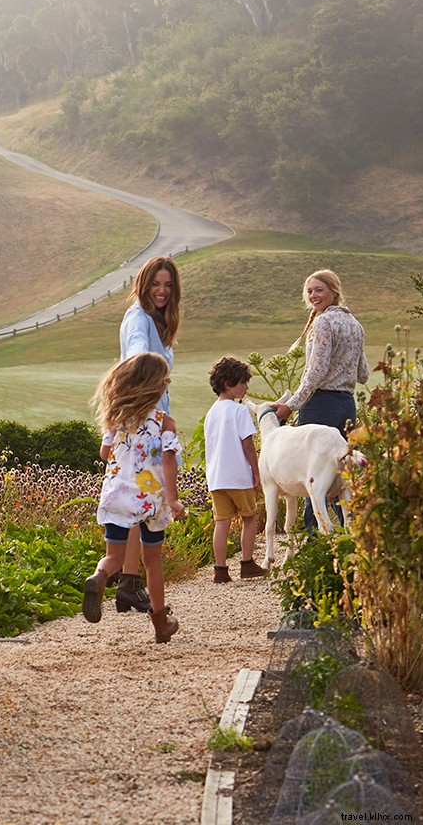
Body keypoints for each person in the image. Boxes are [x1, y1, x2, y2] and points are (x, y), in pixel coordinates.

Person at [82, 352, 185, 644]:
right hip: (150, 500)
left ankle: (100, 577)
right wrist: (174, 500)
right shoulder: (165, 423)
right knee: (152, 561)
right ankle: (161, 623)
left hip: (116, 496)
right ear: (158, 386)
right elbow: (169, 462)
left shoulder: (116, 419)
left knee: (114, 556)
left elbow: (104, 454)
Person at [267, 269, 369, 529]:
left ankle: (315, 541)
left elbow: (316, 372)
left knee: (312, 476)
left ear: (335, 292)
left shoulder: (323, 323)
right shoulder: (355, 325)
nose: (313, 295)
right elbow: (364, 374)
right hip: (346, 406)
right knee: (341, 475)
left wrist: (291, 405)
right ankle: (350, 539)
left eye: (319, 290)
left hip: (319, 405)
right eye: (310, 291)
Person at [111, 255, 181, 613]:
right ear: (144, 283)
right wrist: (148, 390)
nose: (162, 291)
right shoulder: (139, 319)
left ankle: (127, 579)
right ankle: (130, 582)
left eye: (168, 285)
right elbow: (137, 350)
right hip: (147, 415)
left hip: (146, 411)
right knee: (147, 497)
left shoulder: (154, 320)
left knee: (138, 497)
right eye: (156, 284)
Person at [203, 356, 267, 583]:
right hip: (238, 477)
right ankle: (247, 564)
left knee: (222, 523)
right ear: (229, 383)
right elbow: (248, 445)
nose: (246, 387)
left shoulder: (211, 413)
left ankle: (220, 570)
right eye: (243, 383)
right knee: (250, 518)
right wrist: (256, 473)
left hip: (217, 478)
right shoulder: (239, 412)